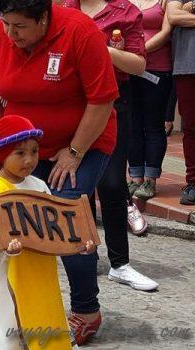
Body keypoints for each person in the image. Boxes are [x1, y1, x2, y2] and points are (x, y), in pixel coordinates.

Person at [0, 0, 119, 344]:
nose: (10, 33)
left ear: (43, 19)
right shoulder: (0, 32)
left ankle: (86, 309)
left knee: (66, 215)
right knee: (19, 216)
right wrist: (12, 144)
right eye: (6, 24)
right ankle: (26, 306)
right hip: (27, 144)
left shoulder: (79, 30)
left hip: (84, 140)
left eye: (19, 26)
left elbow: (102, 100)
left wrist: (75, 152)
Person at [0, 115, 89, 350]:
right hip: (8, 269)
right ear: (2, 154)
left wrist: (78, 242)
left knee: (43, 317)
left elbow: (55, 224)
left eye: (34, 152)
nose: (29, 160)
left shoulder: (38, 185)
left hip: (40, 270)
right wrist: (1, 246)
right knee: (10, 323)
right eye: (20, 153)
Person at [65, 0, 158, 290]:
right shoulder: (65, 8)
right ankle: (85, 255)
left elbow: (138, 63)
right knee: (78, 184)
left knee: (112, 183)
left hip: (115, 100)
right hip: (73, 101)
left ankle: (120, 264)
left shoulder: (125, 11)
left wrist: (98, 47)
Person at [128, 0, 173, 200]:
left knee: (153, 126)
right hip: (128, 69)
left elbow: (166, 33)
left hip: (158, 69)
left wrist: (139, 51)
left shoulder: (165, 1)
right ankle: (135, 177)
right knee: (132, 125)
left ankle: (150, 180)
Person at [167, 0, 195, 205]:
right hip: (187, 65)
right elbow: (174, 16)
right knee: (192, 128)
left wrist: (189, 9)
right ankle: (193, 182)